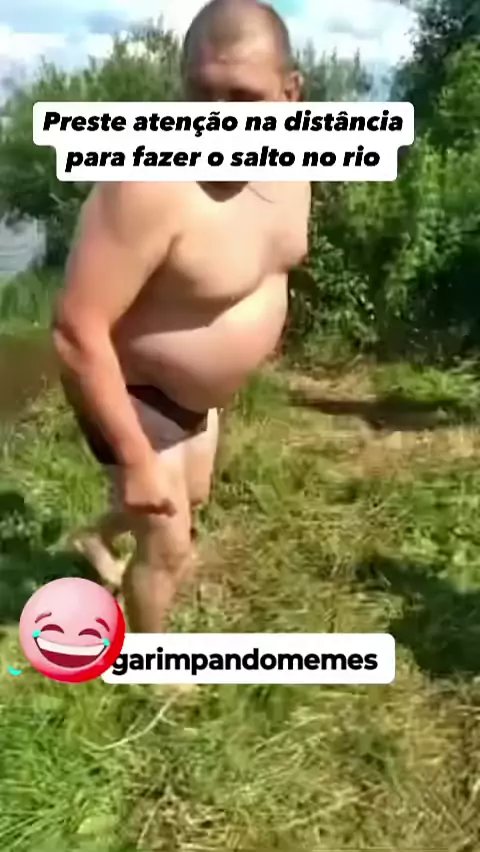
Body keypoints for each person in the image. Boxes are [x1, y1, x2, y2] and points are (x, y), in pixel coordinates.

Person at [53, 0, 311, 633]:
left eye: (243, 98)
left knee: (187, 498)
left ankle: (94, 536)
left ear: (290, 95)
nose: (217, 119)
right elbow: (77, 330)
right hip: (130, 388)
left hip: (193, 399)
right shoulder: (147, 186)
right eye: (202, 93)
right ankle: (150, 659)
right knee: (170, 545)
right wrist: (136, 457)